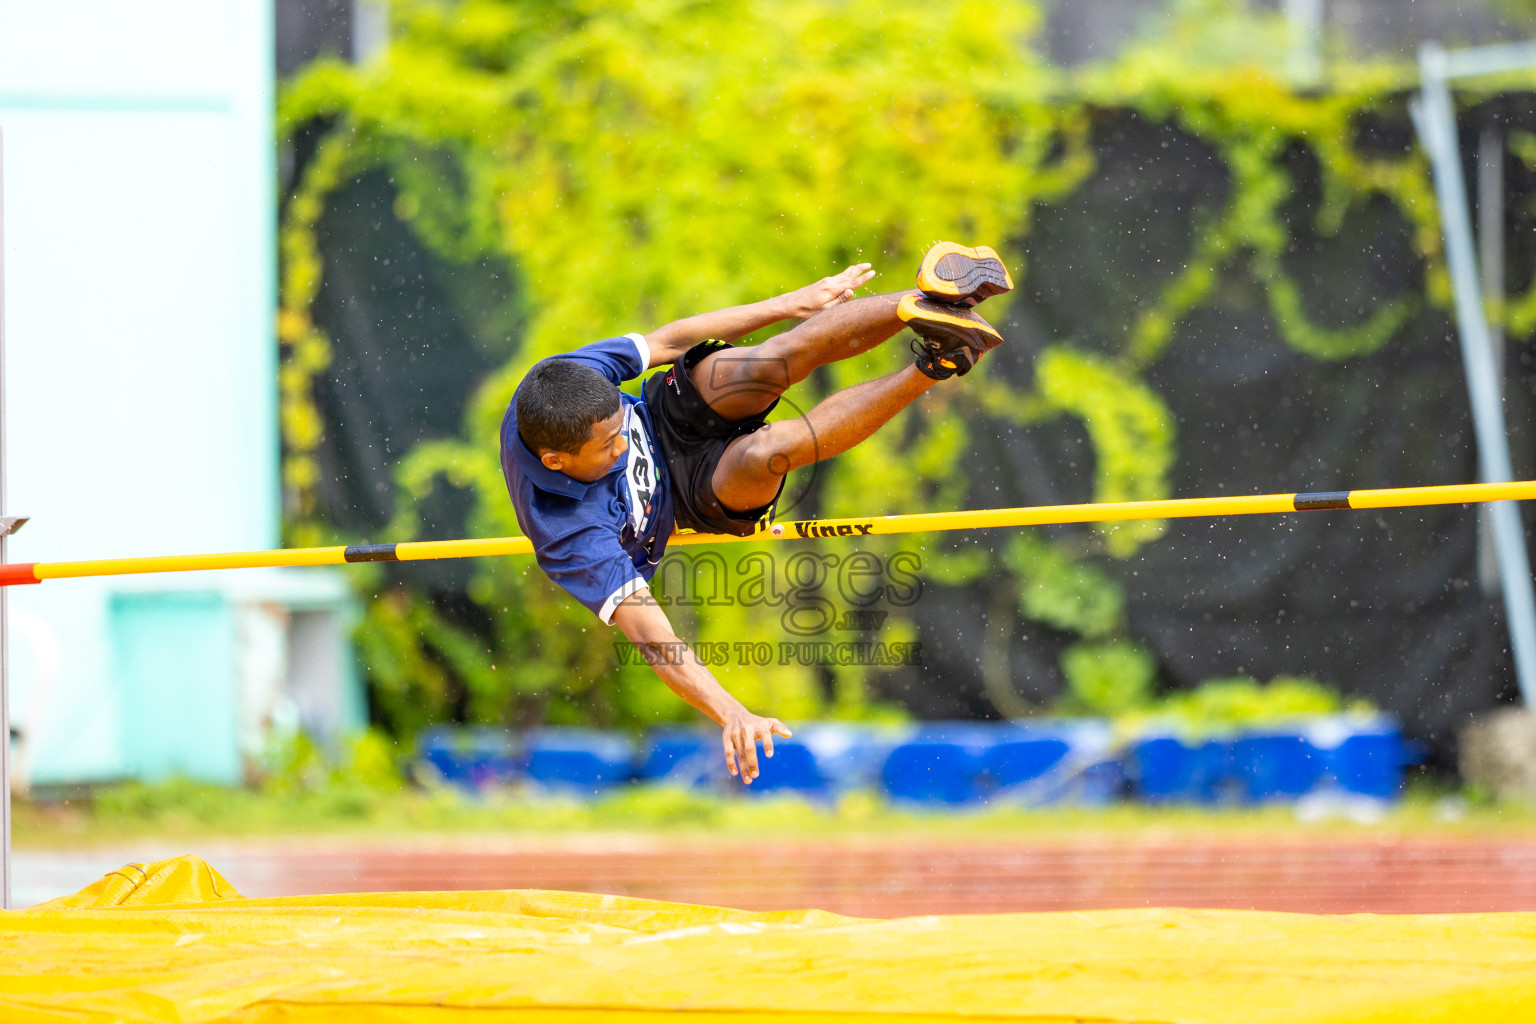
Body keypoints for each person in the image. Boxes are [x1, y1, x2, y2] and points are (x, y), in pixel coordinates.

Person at [500, 242, 1014, 783]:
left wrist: (793, 302)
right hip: (692, 492)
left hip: (666, 412)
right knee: (770, 449)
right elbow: (653, 637)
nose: (621, 448)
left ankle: (931, 300)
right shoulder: (567, 531)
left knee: (768, 362)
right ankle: (936, 365)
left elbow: (668, 340)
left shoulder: (562, 381)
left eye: (615, 432)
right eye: (606, 448)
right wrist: (732, 712)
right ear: (555, 461)